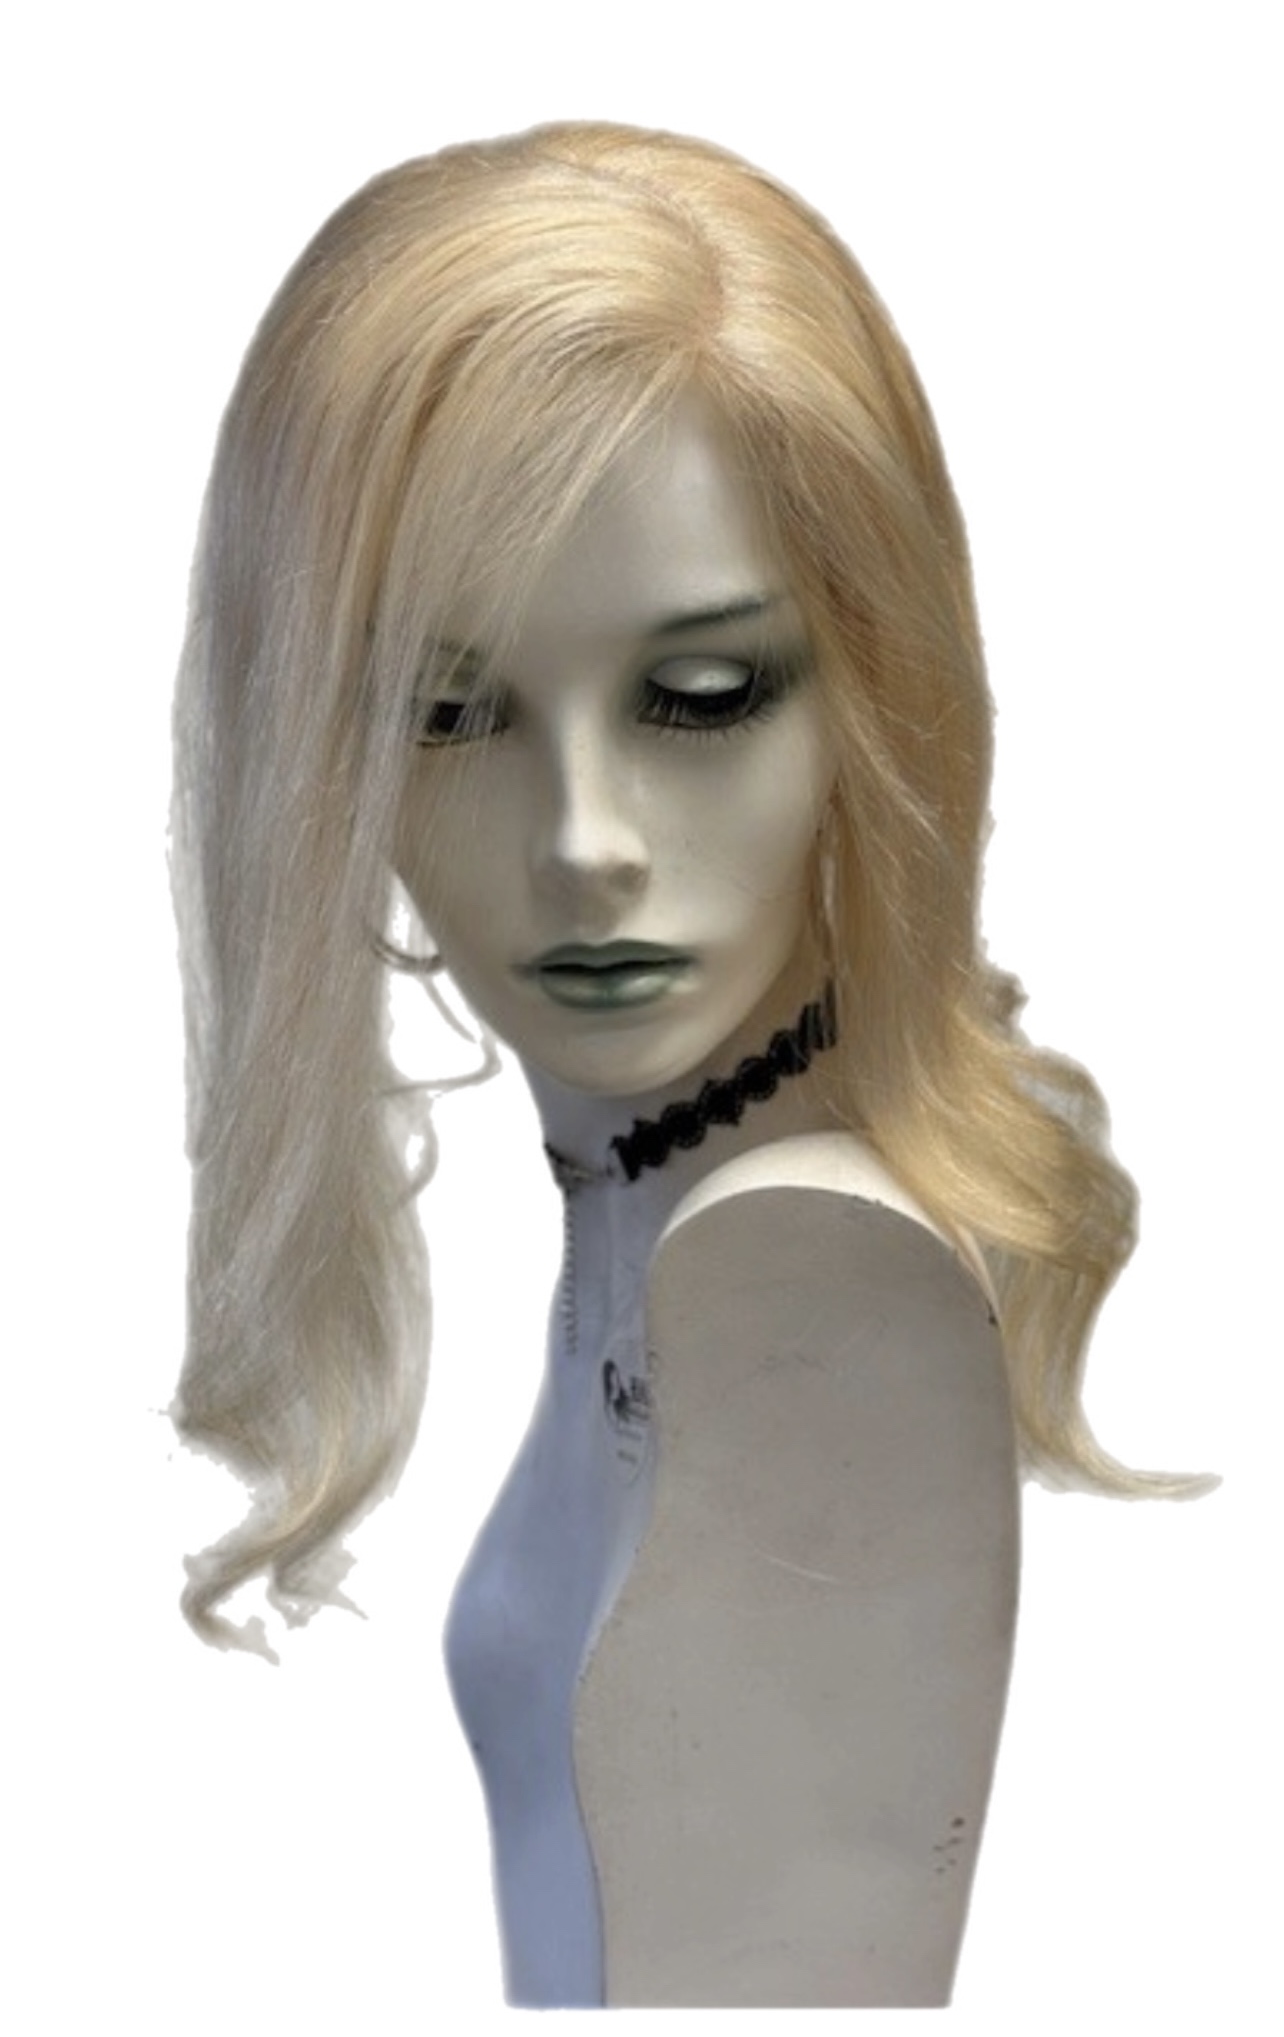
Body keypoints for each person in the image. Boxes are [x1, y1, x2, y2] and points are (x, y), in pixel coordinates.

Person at [170, 122, 1204, 2006]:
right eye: (448, 711)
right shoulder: (653, 1200)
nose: (585, 841)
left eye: (701, 695)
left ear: (872, 696)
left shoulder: (800, 1271)